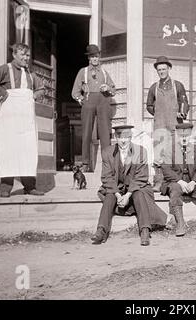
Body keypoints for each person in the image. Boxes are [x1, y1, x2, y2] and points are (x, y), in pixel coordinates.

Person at [0, 43, 45, 198]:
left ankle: (29, 186)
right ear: (14, 54)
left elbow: (41, 88)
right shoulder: (5, 69)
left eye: (27, 55)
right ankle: (5, 187)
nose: (25, 58)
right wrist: (1, 92)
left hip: (26, 118)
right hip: (10, 116)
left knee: (28, 149)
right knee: (8, 148)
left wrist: (33, 96)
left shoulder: (31, 73)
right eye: (22, 54)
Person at [91, 125, 168, 246]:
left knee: (139, 194)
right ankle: (101, 230)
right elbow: (107, 177)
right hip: (117, 187)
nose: (123, 140)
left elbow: (141, 177)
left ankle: (145, 231)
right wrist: (117, 194)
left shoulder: (141, 151)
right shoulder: (107, 152)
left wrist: (127, 195)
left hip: (135, 187)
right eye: (120, 137)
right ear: (115, 138)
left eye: (126, 137)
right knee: (109, 196)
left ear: (130, 137)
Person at [146, 56, 189, 192]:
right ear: (157, 71)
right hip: (159, 127)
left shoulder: (178, 85)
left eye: (164, 69)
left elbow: (184, 102)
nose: (162, 72)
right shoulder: (154, 87)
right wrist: (159, 115)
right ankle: (158, 183)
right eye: (159, 70)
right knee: (159, 156)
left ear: (169, 69)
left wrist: (181, 113)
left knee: (176, 154)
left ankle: (177, 182)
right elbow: (149, 106)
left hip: (175, 127)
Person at [71, 44, 116, 172]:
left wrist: (108, 88)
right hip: (88, 101)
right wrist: (81, 100)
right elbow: (75, 91)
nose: (95, 59)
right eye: (92, 56)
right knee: (86, 132)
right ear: (89, 58)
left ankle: (108, 164)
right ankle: (85, 163)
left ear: (99, 57)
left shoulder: (104, 73)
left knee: (105, 132)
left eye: (96, 56)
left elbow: (113, 89)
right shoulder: (83, 72)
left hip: (103, 101)